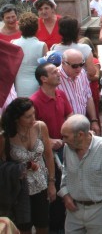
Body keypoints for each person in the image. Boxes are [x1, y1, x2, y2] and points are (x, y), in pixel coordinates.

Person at [58, 114, 102, 232]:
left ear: (80, 135)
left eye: (66, 137)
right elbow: (65, 171)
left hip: (99, 211)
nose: (63, 140)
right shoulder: (68, 147)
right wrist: (65, 194)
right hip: (74, 211)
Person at [1, 97, 56, 234]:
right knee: (24, 228)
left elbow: (49, 156)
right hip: (19, 189)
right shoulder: (5, 136)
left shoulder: (40, 126)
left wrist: (51, 182)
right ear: (16, 119)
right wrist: (21, 167)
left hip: (41, 184)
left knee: (43, 225)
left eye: (33, 114)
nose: (33, 119)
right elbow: (2, 166)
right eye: (28, 117)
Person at [29, 62, 72, 232]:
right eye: (54, 72)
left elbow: (69, 113)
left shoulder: (60, 94)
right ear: (43, 78)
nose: (58, 73)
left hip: (65, 149)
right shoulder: (34, 101)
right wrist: (50, 140)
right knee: (54, 193)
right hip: (47, 155)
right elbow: (32, 131)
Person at [57, 49, 100, 133]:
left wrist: (94, 121)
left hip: (82, 124)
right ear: (63, 63)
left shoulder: (82, 73)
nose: (79, 68)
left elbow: (88, 97)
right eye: (74, 66)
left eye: (81, 64)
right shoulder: (55, 76)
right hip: (65, 127)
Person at [11, 12, 48, 97]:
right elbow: (46, 67)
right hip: (37, 83)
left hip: (18, 83)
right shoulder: (42, 45)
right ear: (37, 28)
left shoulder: (13, 43)